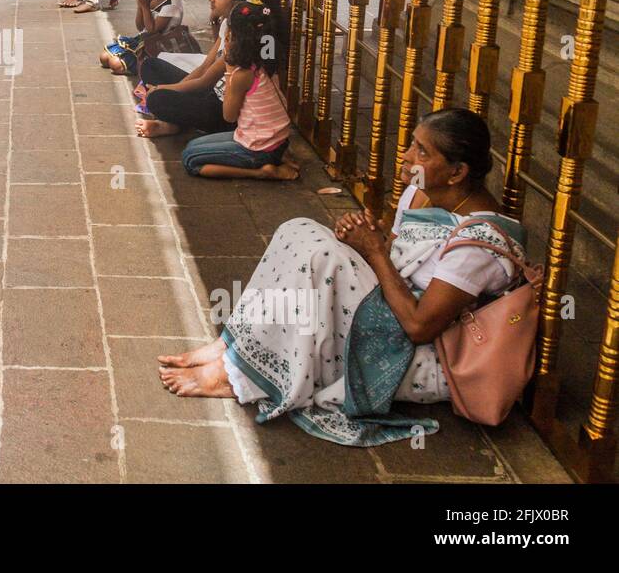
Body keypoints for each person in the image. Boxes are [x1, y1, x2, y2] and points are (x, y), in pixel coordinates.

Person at [159, 109, 527, 448]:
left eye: (422, 152)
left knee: (322, 259)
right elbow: (395, 252)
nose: (407, 156)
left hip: (415, 352)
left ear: (457, 172)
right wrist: (365, 235)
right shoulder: (421, 194)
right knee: (299, 231)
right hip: (385, 307)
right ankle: (234, 349)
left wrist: (374, 251)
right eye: (413, 144)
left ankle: (240, 378)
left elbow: (420, 326)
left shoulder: (481, 243)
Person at [136, 0, 265, 139]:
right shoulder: (228, 24)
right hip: (211, 91)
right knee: (151, 65)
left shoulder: (239, 38)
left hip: (222, 109)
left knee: (156, 99)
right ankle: (174, 121)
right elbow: (204, 67)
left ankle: (174, 123)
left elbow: (205, 81)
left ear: (238, 3)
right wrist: (172, 90)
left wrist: (163, 89)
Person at [179, 0, 299, 181]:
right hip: (277, 139)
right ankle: (277, 156)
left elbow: (229, 116)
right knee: (192, 145)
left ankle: (263, 172)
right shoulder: (267, 58)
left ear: (233, 36)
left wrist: (228, 70)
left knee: (190, 159)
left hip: (258, 146)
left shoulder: (242, 74)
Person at [101, 0, 186, 76]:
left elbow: (151, 30)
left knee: (115, 64)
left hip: (157, 47)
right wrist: (140, 5)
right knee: (104, 58)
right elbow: (140, 27)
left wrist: (145, 7)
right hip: (144, 40)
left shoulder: (172, 6)